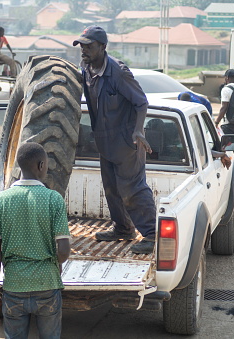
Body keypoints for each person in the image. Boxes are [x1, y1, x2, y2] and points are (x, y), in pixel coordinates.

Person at [74, 25, 156, 254]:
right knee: (111, 188)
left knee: (132, 189)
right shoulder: (86, 69)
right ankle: (123, 229)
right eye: (82, 45)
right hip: (104, 141)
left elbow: (141, 102)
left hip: (127, 141)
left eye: (89, 46)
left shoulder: (118, 72)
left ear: (102, 47)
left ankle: (152, 234)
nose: (84, 50)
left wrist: (138, 131)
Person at [0, 142, 71, 339]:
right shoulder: (53, 199)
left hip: (14, 285)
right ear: (41, 166)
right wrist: (50, 264)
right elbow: (64, 252)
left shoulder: (0, 200)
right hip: (47, 284)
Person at [215, 69, 234, 161]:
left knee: (225, 147)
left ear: (227, 78)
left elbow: (224, 107)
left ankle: (229, 168)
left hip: (227, 123)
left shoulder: (226, 89)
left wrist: (217, 121)